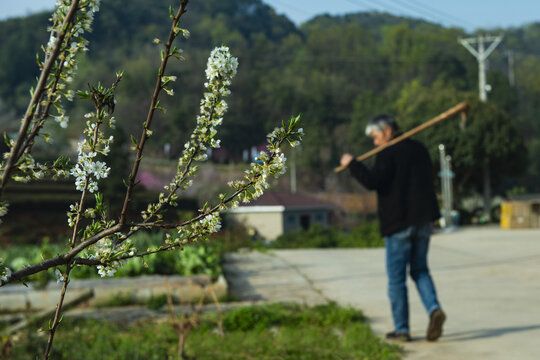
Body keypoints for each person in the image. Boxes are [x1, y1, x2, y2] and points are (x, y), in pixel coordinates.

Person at [340, 114, 445, 342]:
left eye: (375, 136)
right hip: (423, 222)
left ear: (387, 131)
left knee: (397, 279)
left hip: (398, 224)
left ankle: (402, 329)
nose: (374, 142)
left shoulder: (387, 153)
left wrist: (352, 164)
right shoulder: (419, 149)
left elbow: (372, 181)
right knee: (420, 271)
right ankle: (434, 309)